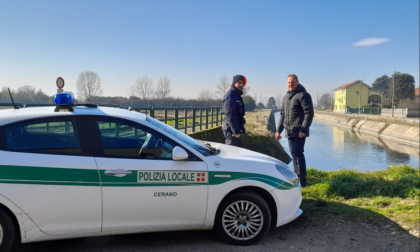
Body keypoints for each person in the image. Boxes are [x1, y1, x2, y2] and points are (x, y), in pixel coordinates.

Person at [275, 74, 314, 187]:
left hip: (299, 130)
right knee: (293, 154)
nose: (290, 84)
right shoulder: (286, 97)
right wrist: (278, 131)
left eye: (292, 82)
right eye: (288, 83)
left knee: (298, 152)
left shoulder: (304, 95)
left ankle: (302, 180)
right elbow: (283, 116)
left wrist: (304, 129)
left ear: (297, 82)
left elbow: (309, 113)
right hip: (289, 130)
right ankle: (297, 178)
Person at [222, 75, 247, 146]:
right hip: (231, 130)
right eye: (239, 82)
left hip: (235, 129)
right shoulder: (230, 96)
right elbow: (229, 115)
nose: (241, 84)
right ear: (234, 83)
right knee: (231, 153)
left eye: (242, 83)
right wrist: (236, 131)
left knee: (239, 152)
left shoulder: (236, 95)